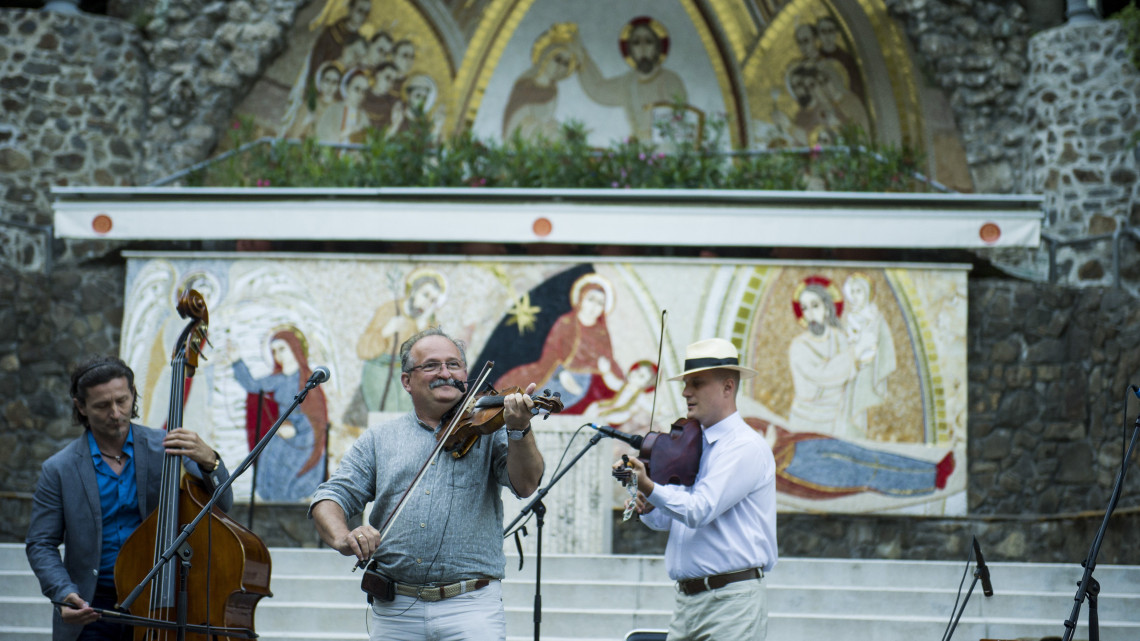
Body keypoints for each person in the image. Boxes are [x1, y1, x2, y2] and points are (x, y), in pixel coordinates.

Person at [309, 328, 544, 641]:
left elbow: (527, 484)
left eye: (454, 365)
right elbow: (331, 495)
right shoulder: (381, 439)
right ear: (407, 381)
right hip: (395, 609)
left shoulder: (492, 431)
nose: (445, 373)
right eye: (432, 365)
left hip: (471, 606)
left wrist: (519, 429)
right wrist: (342, 536)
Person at [26, 356, 232, 641]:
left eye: (122, 401)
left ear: (133, 394)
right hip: (92, 605)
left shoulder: (167, 449)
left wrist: (211, 462)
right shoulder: (58, 469)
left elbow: (222, 505)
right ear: (80, 406)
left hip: (161, 599)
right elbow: (41, 543)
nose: (116, 413)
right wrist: (63, 592)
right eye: (101, 405)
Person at [620, 338, 777, 641]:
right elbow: (670, 520)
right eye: (686, 383)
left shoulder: (743, 446)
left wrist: (650, 486)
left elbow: (699, 510)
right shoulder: (695, 446)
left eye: (697, 383)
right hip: (687, 603)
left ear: (727, 387)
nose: (685, 392)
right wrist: (650, 505)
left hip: (730, 605)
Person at [494, 272, 624, 413]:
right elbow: (551, 352)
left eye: (600, 303)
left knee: (547, 406)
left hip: (585, 381)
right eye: (591, 299)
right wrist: (561, 373)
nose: (594, 306)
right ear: (581, 299)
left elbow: (609, 361)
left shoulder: (601, 333)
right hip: (555, 373)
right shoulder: (565, 322)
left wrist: (608, 372)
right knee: (526, 394)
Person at [231, 327, 328, 502]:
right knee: (270, 465)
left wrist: (297, 430)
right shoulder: (278, 379)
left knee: (288, 476)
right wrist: (237, 360)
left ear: (295, 348)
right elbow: (253, 385)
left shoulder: (309, 380)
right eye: (274, 351)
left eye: (282, 349)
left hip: (305, 440)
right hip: (281, 434)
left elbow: (318, 420)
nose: (277, 355)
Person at [573, 16, 688, 141]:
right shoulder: (628, 81)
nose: (642, 49)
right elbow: (598, 89)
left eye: (649, 41)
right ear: (630, 51)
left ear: (657, 48)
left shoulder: (670, 80)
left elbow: (679, 121)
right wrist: (581, 55)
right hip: (637, 150)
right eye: (636, 43)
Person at [787, 278, 856, 435]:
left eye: (815, 306)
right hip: (805, 420)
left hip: (836, 418)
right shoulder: (798, 346)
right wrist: (855, 355)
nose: (810, 314)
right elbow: (822, 375)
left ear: (827, 307)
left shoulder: (841, 338)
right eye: (805, 308)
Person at [501, 23, 579, 140]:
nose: (560, 67)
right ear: (546, 57)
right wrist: (542, 129)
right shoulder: (525, 86)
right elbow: (514, 121)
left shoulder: (553, 90)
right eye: (557, 59)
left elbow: (547, 119)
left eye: (565, 64)